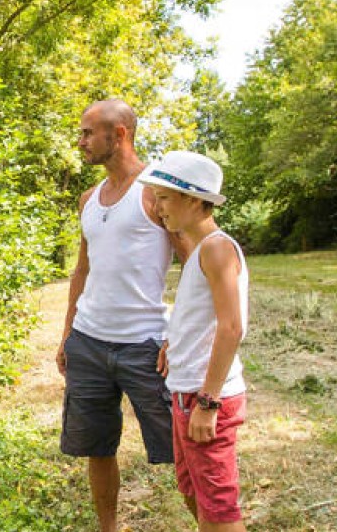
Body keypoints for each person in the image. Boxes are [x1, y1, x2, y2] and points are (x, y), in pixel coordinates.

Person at [56, 99, 188, 532]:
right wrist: (67, 335)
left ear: (120, 135)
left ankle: (210, 524)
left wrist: (180, 335)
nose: (80, 142)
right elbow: (82, 270)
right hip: (89, 342)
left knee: (184, 448)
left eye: (87, 133)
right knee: (98, 446)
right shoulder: (88, 199)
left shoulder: (156, 192)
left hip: (146, 346)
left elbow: (197, 265)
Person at [139, 150, 249, 531]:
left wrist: (209, 401)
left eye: (165, 197)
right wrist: (175, 341)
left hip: (205, 397)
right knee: (194, 493)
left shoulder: (218, 248)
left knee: (218, 508)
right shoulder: (198, 251)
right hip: (184, 393)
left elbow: (231, 326)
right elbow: (198, 315)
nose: (157, 207)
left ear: (194, 198)